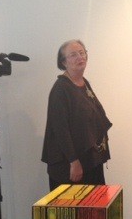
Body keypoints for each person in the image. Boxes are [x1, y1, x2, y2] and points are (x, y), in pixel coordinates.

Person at [42, 39, 112, 191]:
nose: (80, 57)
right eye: (73, 54)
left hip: (91, 160)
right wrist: (74, 162)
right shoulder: (61, 89)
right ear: (63, 62)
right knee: (75, 206)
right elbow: (60, 130)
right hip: (71, 166)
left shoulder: (83, 82)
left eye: (82, 53)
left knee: (95, 204)